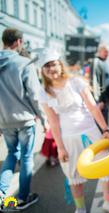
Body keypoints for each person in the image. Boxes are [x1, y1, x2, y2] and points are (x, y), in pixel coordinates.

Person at [37, 49, 109, 213]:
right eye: (46, 66)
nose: (50, 69)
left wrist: (105, 129)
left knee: (108, 168)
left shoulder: (76, 82)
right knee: (74, 177)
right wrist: (60, 147)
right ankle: (80, 209)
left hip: (91, 133)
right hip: (69, 139)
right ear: (42, 70)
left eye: (53, 64)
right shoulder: (43, 93)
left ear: (60, 64)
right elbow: (54, 122)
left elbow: (93, 107)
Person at [0, 28, 46, 210]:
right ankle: (23, 198)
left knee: (11, 154)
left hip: (4, 120)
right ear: (18, 42)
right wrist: (44, 119)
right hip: (25, 120)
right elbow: (35, 95)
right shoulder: (24, 63)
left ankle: (1, 193)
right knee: (26, 158)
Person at [93, 43, 109, 125]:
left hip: (106, 99)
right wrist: (100, 100)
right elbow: (95, 82)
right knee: (101, 123)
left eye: (108, 52)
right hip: (101, 100)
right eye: (105, 51)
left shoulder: (104, 62)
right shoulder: (97, 62)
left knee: (105, 121)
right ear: (99, 51)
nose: (107, 54)